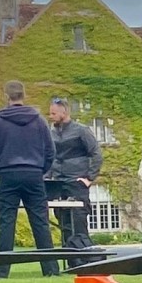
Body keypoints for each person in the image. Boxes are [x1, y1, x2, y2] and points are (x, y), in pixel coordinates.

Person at [0, 81, 59, 278]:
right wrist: (40, 169)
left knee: (6, 222)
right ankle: (50, 269)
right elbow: (50, 151)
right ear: (23, 95)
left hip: (8, 173)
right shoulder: (39, 120)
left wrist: (1, 170)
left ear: (6, 96)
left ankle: (1, 271)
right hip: (34, 172)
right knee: (41, 222)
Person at [46, 97, 102, 250]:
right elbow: (49, 156)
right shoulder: (51, 133)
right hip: (58, 182)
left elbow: (96, 154)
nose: (50, 116)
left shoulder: (81, 131)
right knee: (63, 220)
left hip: (76, 182)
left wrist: (89, 178)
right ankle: (68, 254)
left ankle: (83, 256)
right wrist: (47, 177)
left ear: (63, 113)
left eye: (53, 113)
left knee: (79, 220)